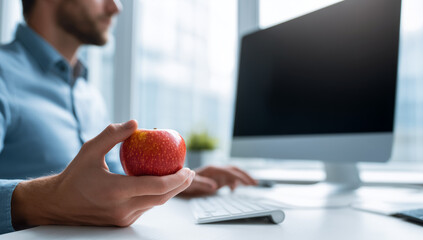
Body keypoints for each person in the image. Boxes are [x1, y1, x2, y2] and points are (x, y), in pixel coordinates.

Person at [0, 0, 258, 234]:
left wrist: (175, 182)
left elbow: (112, 179)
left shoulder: (89, 94)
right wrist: (46, 200)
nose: (116, 7)